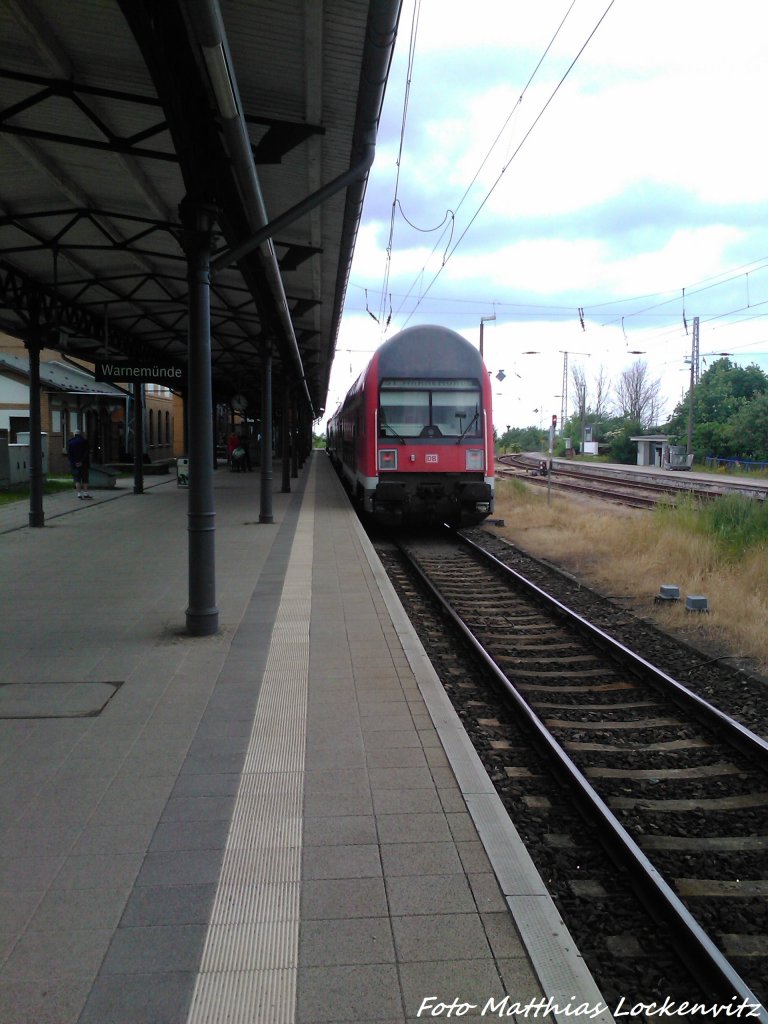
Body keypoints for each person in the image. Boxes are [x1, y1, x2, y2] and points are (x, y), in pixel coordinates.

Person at [67, 428, 93, 499]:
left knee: (77, 479)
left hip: (74, 465)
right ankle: (85, 493)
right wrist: (81, 461)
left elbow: (69, 454)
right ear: (80, 434)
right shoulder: (85, 441)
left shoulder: (70, 442)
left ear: (74, 434)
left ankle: (79, 494)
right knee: (85, 479)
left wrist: (75, 462)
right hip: (84, 464)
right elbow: (86, 453)